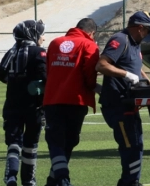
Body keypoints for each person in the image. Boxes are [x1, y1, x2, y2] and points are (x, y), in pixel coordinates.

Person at [96, 11, 150, 186]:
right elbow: (101, 65)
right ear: (139, 28)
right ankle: (128, 182)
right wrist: (126, 74)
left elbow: (136, 69)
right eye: (147, 31)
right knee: (130, 146)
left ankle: (132, 181)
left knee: (135, 144)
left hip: (129, 104)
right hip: (118, 105)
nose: (147, 35)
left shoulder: (134, 43)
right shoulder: (121, 40)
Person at [43, 18, 100, 186]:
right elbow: (90, 74)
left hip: (53, 100)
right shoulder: (89, 45)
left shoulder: (55, 43)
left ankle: (54, 180)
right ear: (91, 33)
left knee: (56, 141)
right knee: (69, 140)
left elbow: (48, 71)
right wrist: (94, 87)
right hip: (76, 100)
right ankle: (62, 179)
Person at [0, 20, 47, 186]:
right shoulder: (38, 52)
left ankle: (11, 177)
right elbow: (46, 77)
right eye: (41, 34)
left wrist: (15, 83)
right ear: (32, 34)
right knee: (30, 144)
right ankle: (29, 180)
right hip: (34, 106)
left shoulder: (12, 51)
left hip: (11, 104)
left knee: (13, 142)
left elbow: (0, 73)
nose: (43, 38)